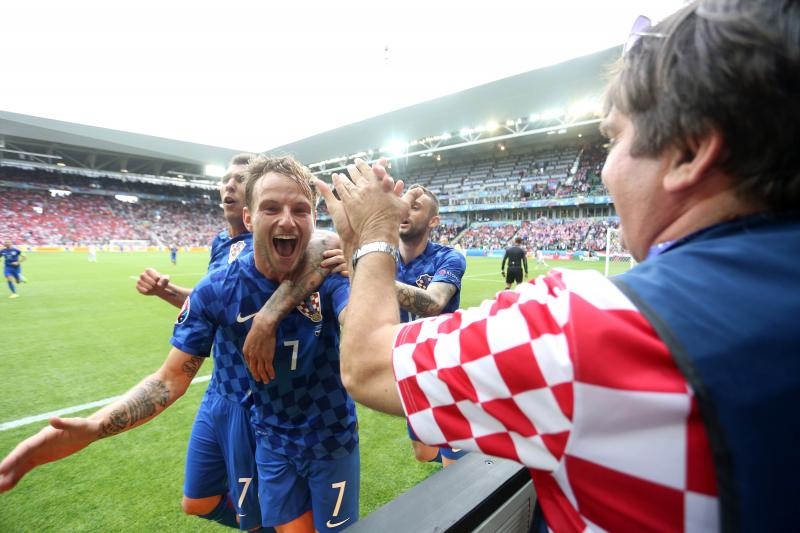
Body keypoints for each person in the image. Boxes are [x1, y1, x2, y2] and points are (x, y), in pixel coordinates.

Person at [318, 1, 800, 530]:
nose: (607, 173)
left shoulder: (582, 328)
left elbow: (366, 365)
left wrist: (372, 237)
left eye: (614, 139)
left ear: (690, 151)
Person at [134, 153, 344, 530]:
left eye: (240, 178)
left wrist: (267, 318)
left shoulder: (282, 247)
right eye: (226, 178)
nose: (231, 184)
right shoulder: (220, 247)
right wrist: (168, 294)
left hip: (257, 391)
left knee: (266, 506)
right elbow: (210, 304)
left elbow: (322, 247)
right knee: (198, 502)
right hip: (220, 389)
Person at [394, 184, 467, 466]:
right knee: (423, 454)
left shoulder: (447, 258)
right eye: (402, 204)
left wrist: (369, 276)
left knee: (456, 474)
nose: (405, 210)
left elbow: (434, 301)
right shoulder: (384, 258)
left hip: (444, 373)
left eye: (415, 206)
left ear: (433, 221)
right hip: (408, 372)